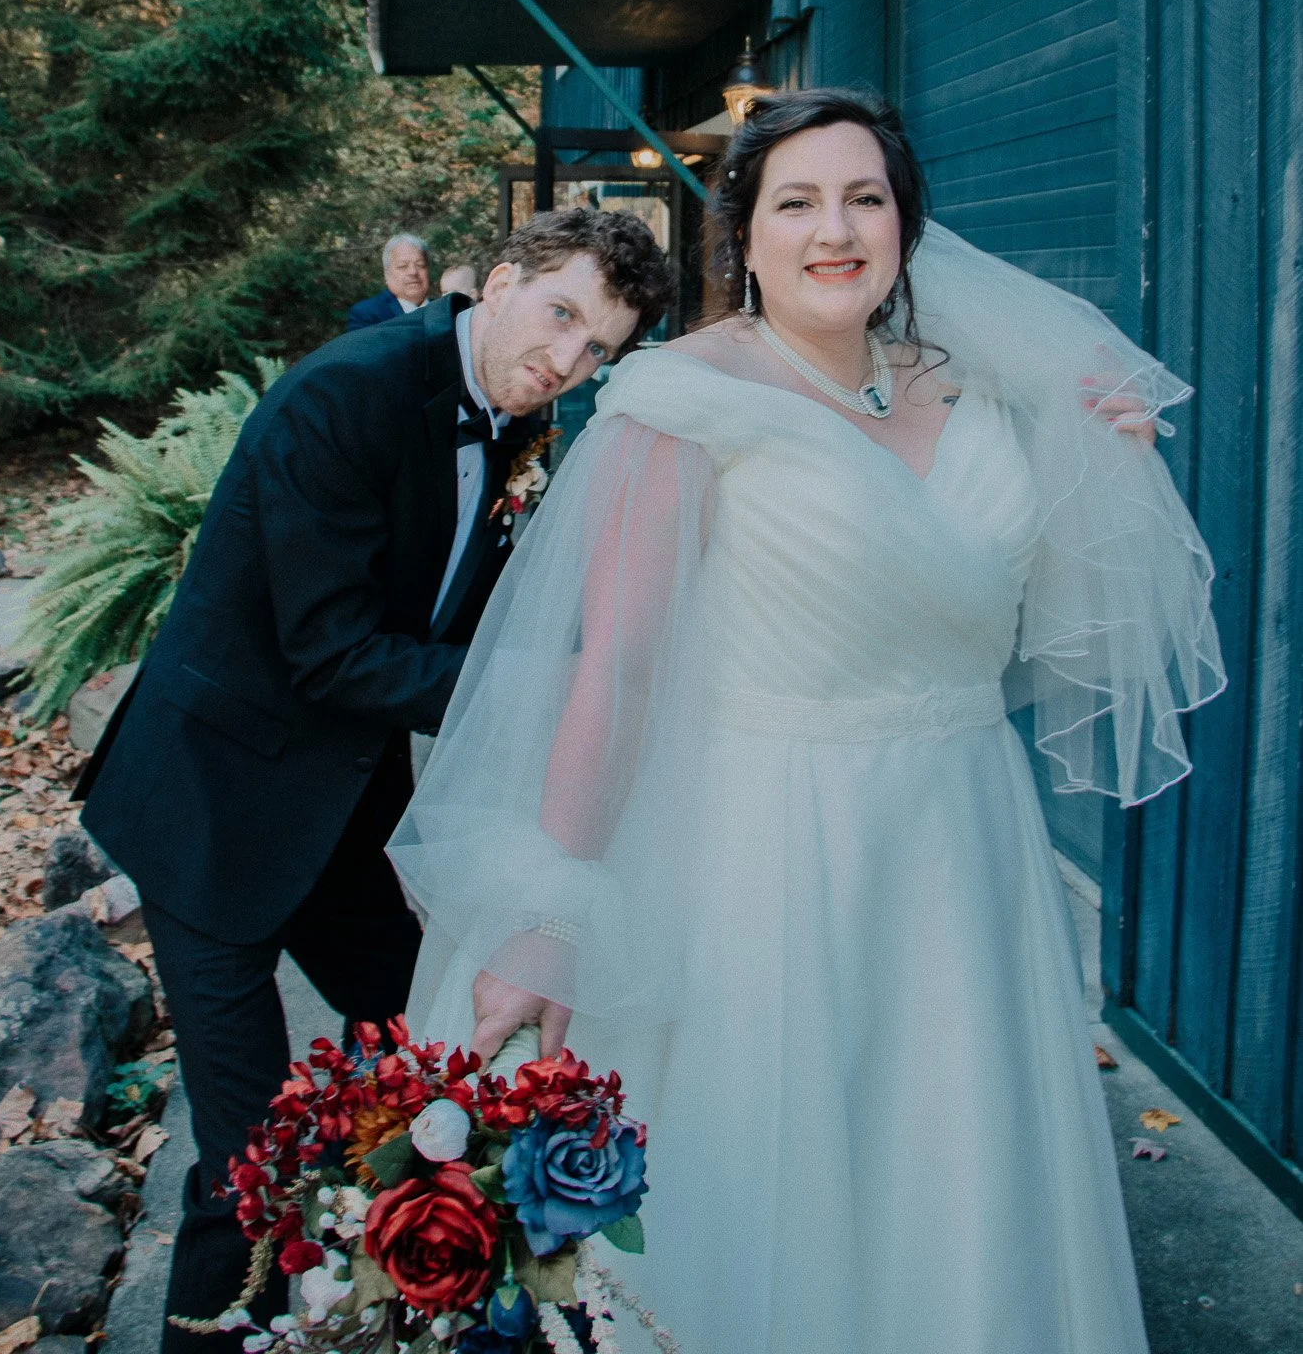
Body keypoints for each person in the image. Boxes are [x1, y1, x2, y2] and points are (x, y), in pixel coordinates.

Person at [393, 89, 1225, 1354]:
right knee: (786, 1201)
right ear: (746, 233)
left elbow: (1037, 616)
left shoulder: (984, 389)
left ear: (905, 225)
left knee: (955, 1181)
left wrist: (1107, 467)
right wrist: (554, 907)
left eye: (864, 197)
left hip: (965, 852)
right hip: (770, 854)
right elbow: (614, 669)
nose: (834, 228)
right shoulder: (683, 401)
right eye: (797, 200)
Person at [75, 208, 676, 1354]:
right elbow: (334, 650)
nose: (566, 360)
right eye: (560, 316)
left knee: (439, 1053)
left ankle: (400, 1302)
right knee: (247, 1166)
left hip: (339, 815)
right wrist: (563, 685)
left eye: (598, 348)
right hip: (210, 807)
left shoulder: (513, 417)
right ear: (500, 281)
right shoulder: (344, 395)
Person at [345, 231, 431, 331]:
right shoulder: (366, 314)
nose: (413, 272)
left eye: (420, 265)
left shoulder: (447, 309)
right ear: (387, 274)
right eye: (403, 266)